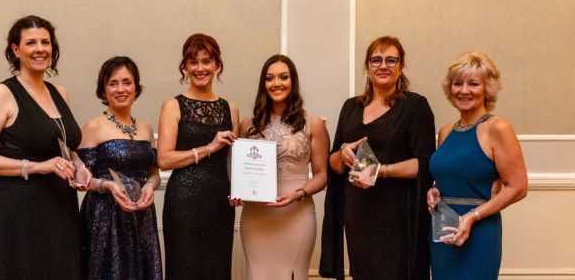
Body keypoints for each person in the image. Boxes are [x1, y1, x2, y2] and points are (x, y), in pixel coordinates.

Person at [0, 15, 90, 279]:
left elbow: (64, 147)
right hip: (18, 208)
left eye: (45, 42)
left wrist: (80, 166)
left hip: (59, 206)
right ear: (16, 49)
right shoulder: (1, 94)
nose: (40, 49)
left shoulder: (59, 92)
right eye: (31, 42)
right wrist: (37, 166)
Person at [319, 36, 435, 280]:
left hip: (396, 218)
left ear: (401, 66)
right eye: (376, 60)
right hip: (358, 214)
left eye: (391, 60)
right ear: (367, 66)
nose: (383, 66)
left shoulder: (415, 106)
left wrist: (381, 170)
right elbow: (333, 162)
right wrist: (342, 154)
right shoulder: (350, 107)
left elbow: (424, 163)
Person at [427, 51, 527, 280]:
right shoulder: (445, 131)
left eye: (473, 84)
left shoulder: (498, 128)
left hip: (480, 233)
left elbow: (518, 187)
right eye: (458, 83)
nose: (464, 90)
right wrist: (434, 190)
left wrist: (472, 216)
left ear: (486, 89)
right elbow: (449, 176)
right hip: (443, 233)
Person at [228, 55, 330, 279]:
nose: (276, 83)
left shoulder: (312, 122)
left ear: (292, 81)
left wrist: (298, 194)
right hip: (256, 217)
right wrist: (237, 193)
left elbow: (323, 174)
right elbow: (237, 168)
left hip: (297, 215)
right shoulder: (248, 124)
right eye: (270, 78)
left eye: (283, 77)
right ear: (263, 84)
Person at [157, 33, 240, 279]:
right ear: (185, 66)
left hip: (219, 204)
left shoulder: (230, 109)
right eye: (193, 62)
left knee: (217, 269)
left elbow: (231, 161)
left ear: (217, 65)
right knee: (184, 269)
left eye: (207, 61)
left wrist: (240, 189)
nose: (200, 68)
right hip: (184, 202)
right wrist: (208, 148)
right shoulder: (173, 105)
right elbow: (164, 159)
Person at [76, 56, 162, 280]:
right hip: (104, 216)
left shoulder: (145, 127)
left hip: (141, 215)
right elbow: (80, 179)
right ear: (103, 91)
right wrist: (108, 185)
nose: (120, 89)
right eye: (113, 83)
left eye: (127, 82)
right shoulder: (93, 126)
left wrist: (151, 187)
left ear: (136, 88)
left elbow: (154, 173)